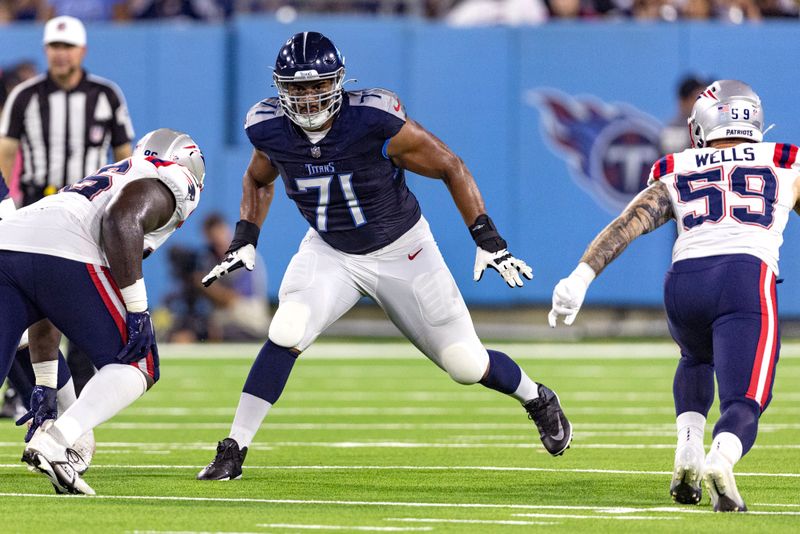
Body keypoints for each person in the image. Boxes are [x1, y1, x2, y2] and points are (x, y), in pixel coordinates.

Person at [196, 31, 571, 481]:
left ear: (338, 83)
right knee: (287, 327)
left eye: (318, 87)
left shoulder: (374, 120)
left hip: (403, 251)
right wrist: (244, 236)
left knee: (466, 365)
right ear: (280, 89)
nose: (309, 99)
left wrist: (487, 237)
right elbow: (258, 178)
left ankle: (536, 397)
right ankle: (234, 448)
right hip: (332, 251)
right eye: (297, 89)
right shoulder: (269, 126)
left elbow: (451, 165)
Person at [549, 80, 791, 512]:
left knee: (694, 359)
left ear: (702, 125)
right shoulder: (785, 160)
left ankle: (688, 448)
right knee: (746, 400)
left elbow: (629, 223)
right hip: (744, 276)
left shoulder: (677, 165)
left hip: (685, 282)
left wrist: (581, 276)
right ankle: (722, 457)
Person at [0, 128, 205, 495]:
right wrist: (139, 310)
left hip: (10, 242)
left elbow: (44, 302)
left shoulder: (98, 181)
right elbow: (121, 219)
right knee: (139, 363)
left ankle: (54, 437)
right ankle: (56, 441)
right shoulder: (172, 179)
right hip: (63, 247)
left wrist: (45, 382)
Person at [0, 15, 135, 406]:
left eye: (67, 47)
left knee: (84, 306)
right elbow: (6, 155)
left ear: (82, 50)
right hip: (34, 211)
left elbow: (126, 159)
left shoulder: (106, 95)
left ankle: (74, 396)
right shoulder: (24, 95)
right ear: (46, 51)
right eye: (54, 47)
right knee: (34, 311)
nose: (61, 54)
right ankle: (37, 394)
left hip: (86, 217)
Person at [200, 213, 270, 341]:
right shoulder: (209, 259)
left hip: (248, 317)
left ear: (227, 231)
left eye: (220, 234)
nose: (218, 241)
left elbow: (233, 299)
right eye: (212, 238)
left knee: (218, 330)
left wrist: (203, 285)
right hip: (224, 317)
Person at [659, 75, 708, 156]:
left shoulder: (708, 125)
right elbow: (674, 163)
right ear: (684, 101)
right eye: (699, 98)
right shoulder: (674, 129)